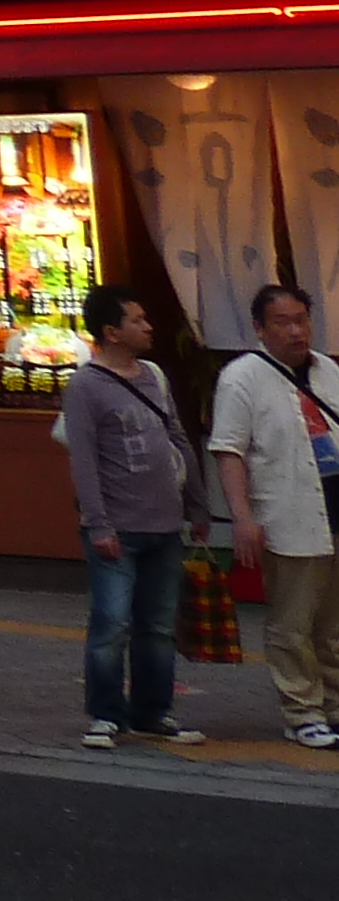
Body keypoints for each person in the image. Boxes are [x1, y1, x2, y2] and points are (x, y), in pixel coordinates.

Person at [63, 287, 210, 752]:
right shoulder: (85, 385)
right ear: (111, 332)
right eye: (138, 320)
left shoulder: (154, 376)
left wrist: (198, 505)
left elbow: (178, 438)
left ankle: (153, 711)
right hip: (117, 529)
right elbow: (83, 460)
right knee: (111, 623)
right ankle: (106, 715)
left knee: (158, 626)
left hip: (165, 526)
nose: (148, 327)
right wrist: (99, 523)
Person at [208, 280, 339, 752]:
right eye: (282, 322)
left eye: (301, 320)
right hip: (288, 513)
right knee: (292, 623)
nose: (295, 330)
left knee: (334, 624)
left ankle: (335, 707)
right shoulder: (242, 377)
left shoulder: (327, 370)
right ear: (260, 329)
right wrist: (242, 517)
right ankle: (301, 711)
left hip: (334, 507)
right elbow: (229, 450)